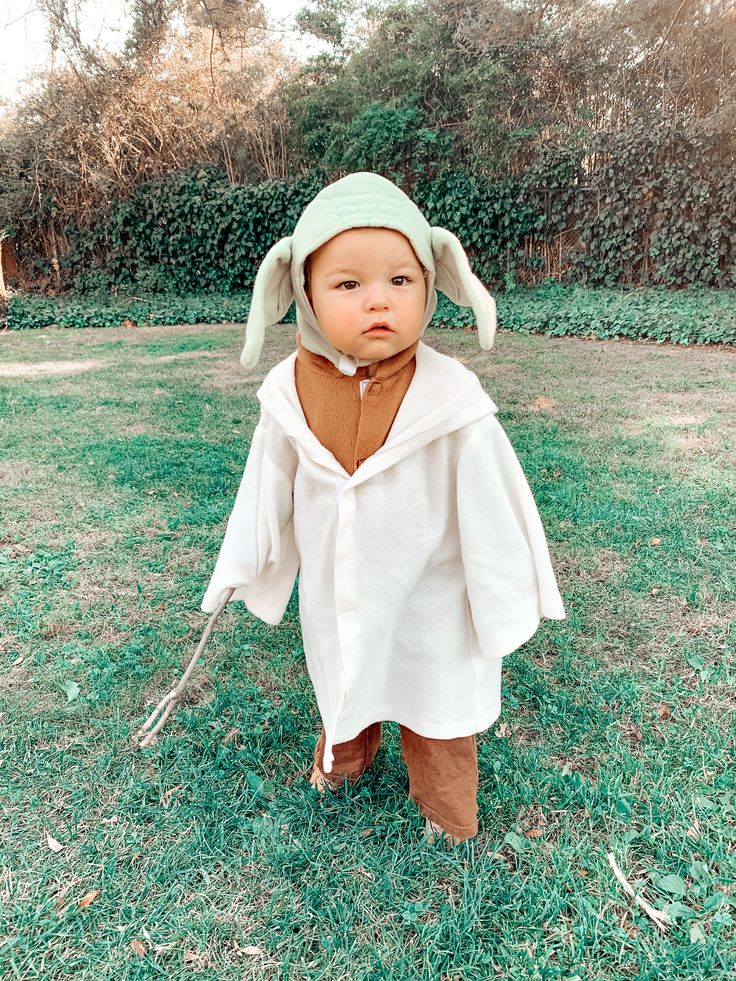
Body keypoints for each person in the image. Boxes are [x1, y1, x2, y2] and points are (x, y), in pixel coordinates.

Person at [202, 172, 565, 844]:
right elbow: (266, 482)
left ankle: (447, 812)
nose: (379, 301)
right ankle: (342, 762)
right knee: (344, 676)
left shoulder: (453, 401)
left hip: (433, 588)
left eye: (400, 280)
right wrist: (244, 561)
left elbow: (494, 505)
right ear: (302, 291)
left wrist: (503, 592)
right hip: (338, 584)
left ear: (432, 283)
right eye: (348, 284)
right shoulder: (288, 392)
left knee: (437, 701)